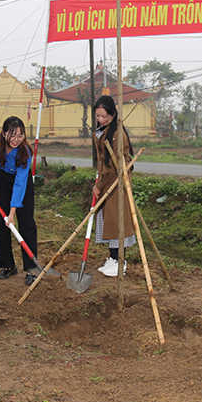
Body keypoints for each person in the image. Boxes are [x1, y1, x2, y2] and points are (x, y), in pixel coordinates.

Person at [0, 116, 41, 285]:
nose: (16, 139)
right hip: (2, 180)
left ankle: (32, 268)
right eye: (12, 135)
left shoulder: (24, 152)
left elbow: (19, 186)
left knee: (27, 224)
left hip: (22, 184)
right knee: (2, 223)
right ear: (4, 134)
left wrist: (12, 213)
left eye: (20, 135)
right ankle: (7, 265)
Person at [93, 95, 135, 277]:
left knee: (118, 222)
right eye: (98, 116)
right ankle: (112, 258)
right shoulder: (104, 130)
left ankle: (120, 262)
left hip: (116, 183)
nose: (101, 120)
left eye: (105, 116)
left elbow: (113, 165)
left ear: (113, 114)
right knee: (109, 222)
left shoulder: (117, 133)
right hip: (107, 181)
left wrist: (99, 185)